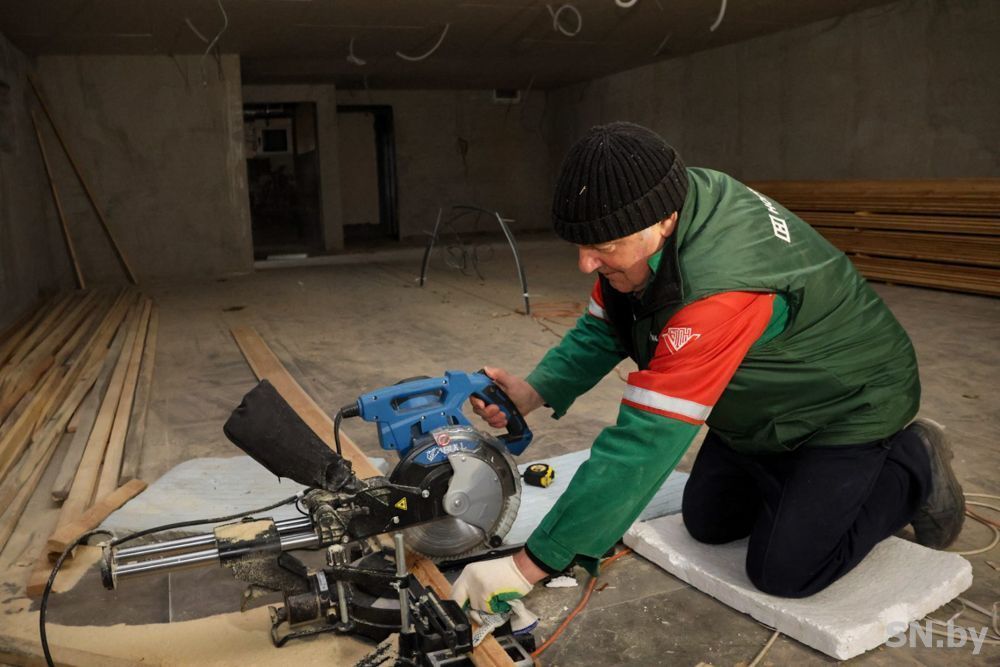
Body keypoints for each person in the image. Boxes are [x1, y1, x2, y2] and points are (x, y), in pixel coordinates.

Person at [452, 122, 965, 623]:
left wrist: (529, 566)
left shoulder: (719, 290)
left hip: (847, 401)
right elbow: (605, 327)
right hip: (765, 400)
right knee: (708, 522)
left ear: (662, 222)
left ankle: (913, 464)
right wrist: (534, 390)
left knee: (785, 569)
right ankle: (807, 483)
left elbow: (645, 443)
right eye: (582, 245)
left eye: (602, 248)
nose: (586, 264)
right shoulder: (661, 199)